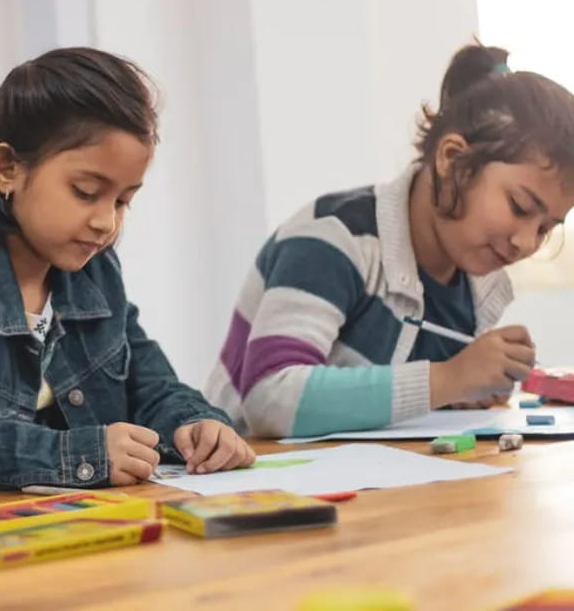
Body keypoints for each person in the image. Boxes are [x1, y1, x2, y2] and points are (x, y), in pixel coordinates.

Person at [0, 47, 256, 492]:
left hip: (80, 536)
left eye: (123, 200)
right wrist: (73, 457)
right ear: (7, 169)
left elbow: (152, 386)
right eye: (86, 192)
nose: (107, 221)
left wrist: (196, 424)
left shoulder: (96, 275)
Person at [206, 43, 574, 437]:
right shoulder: (332, 238)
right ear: (452, 160)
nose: (526, 242)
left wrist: (459, 391)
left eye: (546, 227)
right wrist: (449, 378)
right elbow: (270, 397)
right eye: (519, 206)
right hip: (254, 479)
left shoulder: (476, 283)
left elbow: (391, 393)